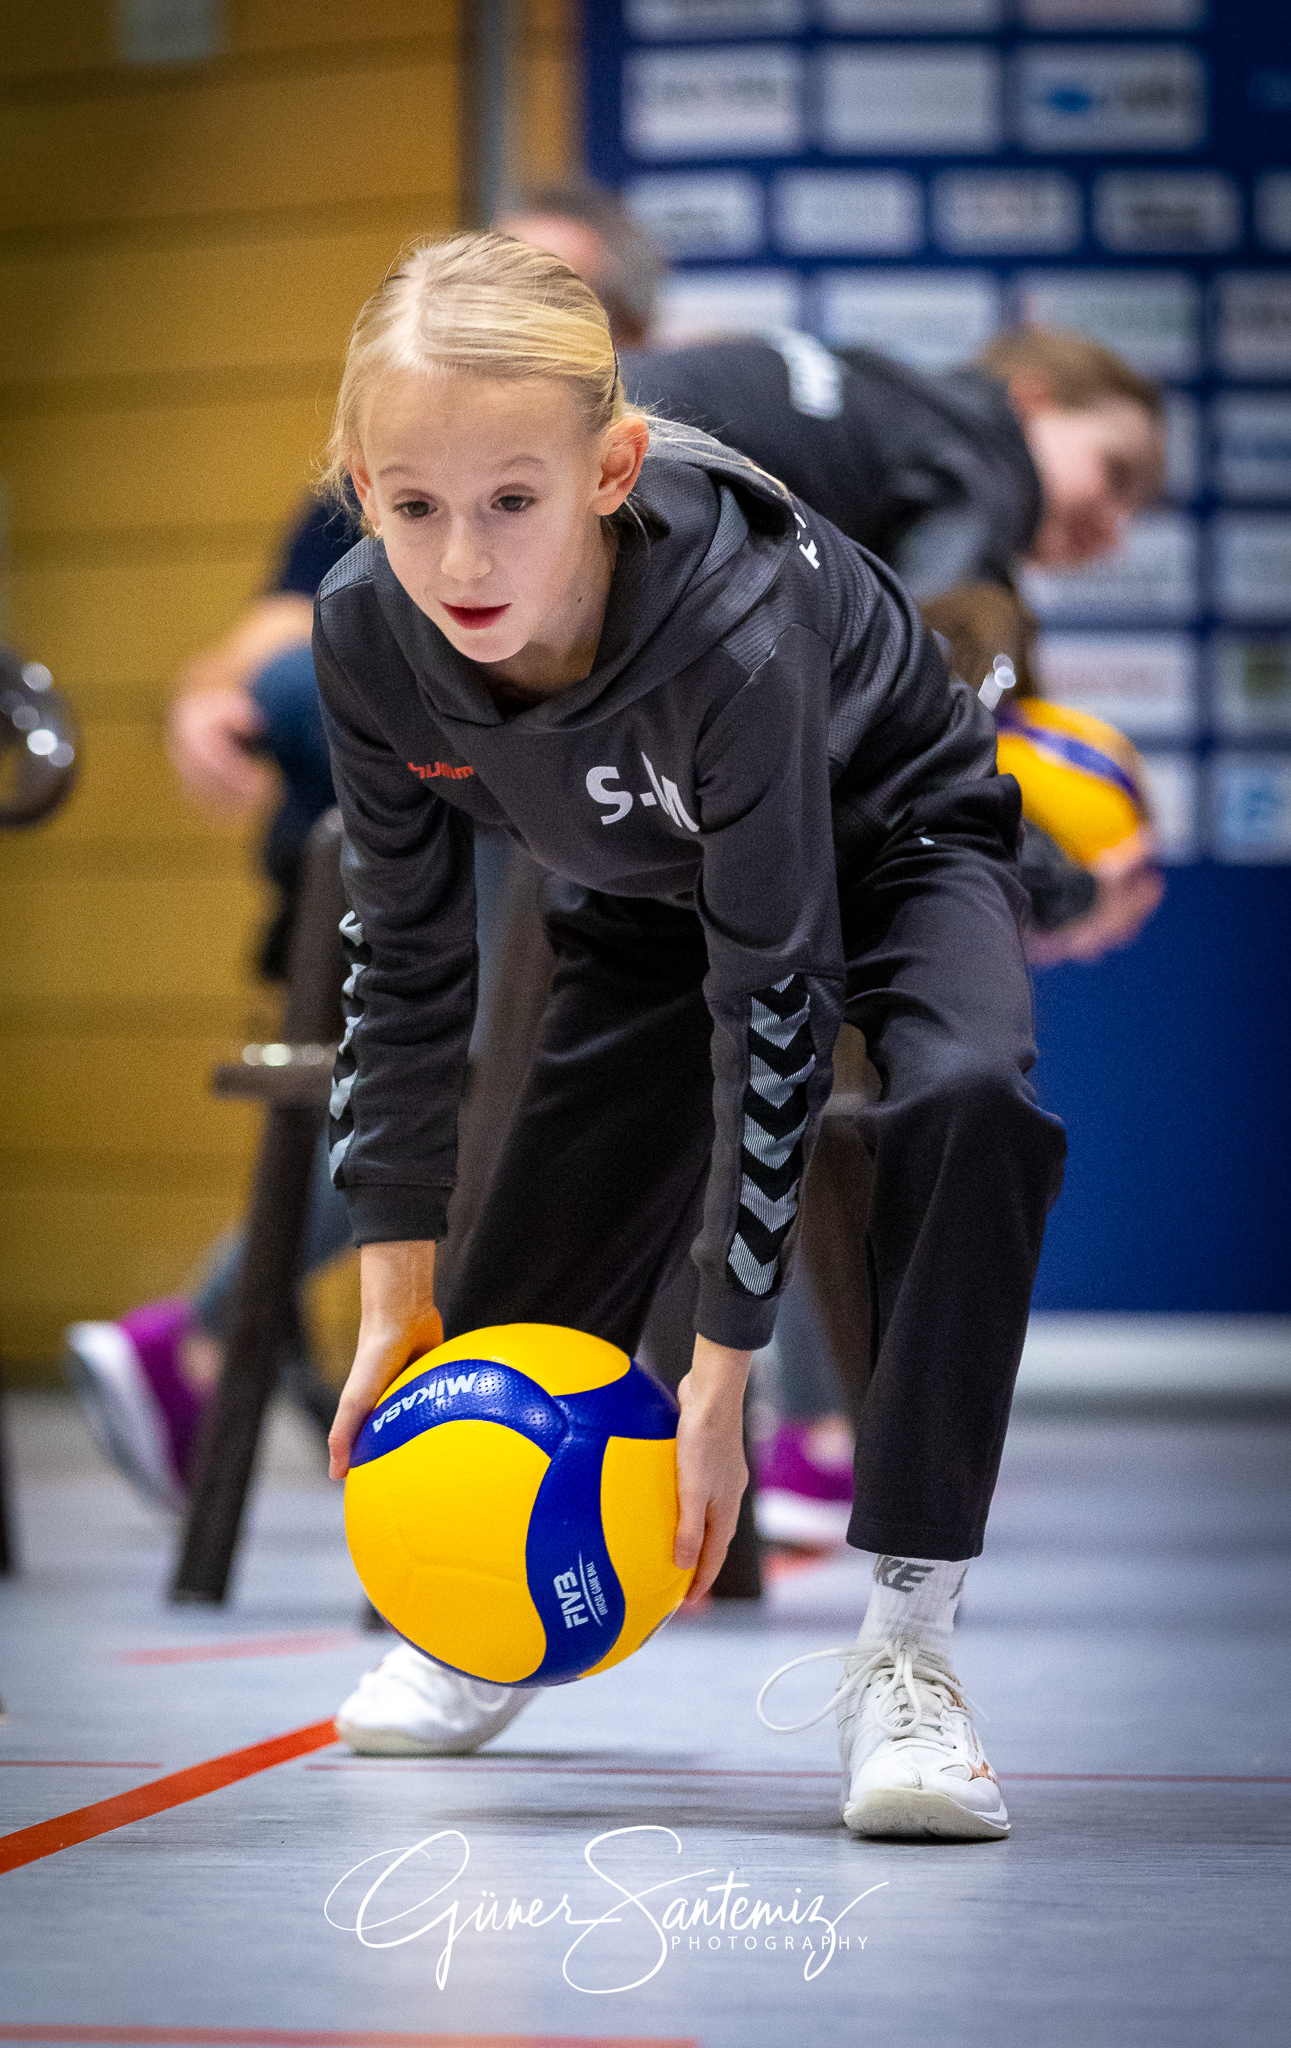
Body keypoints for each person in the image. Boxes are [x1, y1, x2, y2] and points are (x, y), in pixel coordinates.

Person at [316, 230, 1064, 1842]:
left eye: (512, 499)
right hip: (644, 891)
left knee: (965, 1102)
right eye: (412, 504)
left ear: (611, 465)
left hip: (896, 840)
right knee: (514, 1285)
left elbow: (777, 998)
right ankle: (488, 1622)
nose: (462, 560)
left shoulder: (726, 621)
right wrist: (396, 1297)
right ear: (359, 487)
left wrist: (718, 1377)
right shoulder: (365, 633)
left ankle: (910, 1649)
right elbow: (406, 963)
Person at [63, 185, 664, 1507]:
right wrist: (211, 694)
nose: (492, 315)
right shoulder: (423, 430)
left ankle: (212, 1340)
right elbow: (277, 634)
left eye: (538, 292)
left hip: (561, 844)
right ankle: (216, 1340)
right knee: (481, 1054)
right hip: (405, 853)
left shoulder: (661, 489)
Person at [622, 323, 1169, 1542]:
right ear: (1032, 398)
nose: (1115, 526)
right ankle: (799, 1443)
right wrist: (1063, 887)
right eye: (1114, 472)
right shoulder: (978, 467)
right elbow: (906, 739)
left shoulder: (880, 412)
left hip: (563, 680)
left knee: (690, 1040)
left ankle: (769, 1436)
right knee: (787, 1035)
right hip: (616, 684)